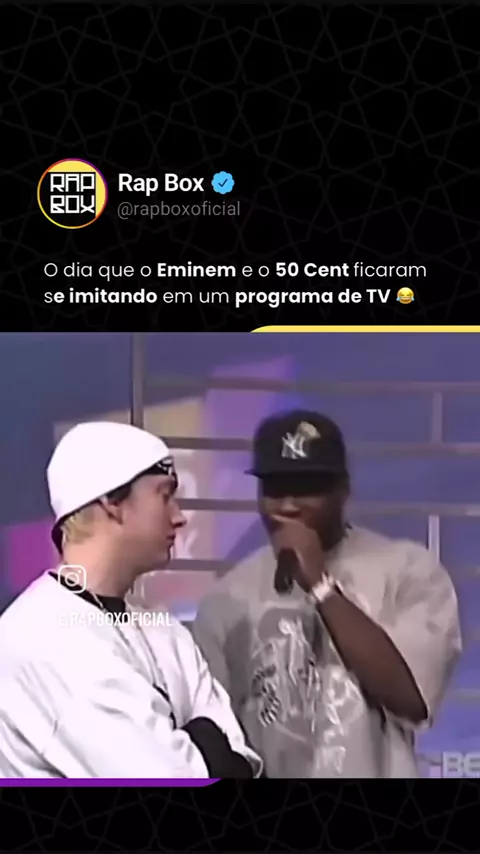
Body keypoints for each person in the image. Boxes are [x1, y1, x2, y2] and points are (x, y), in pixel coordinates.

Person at [193, 410, 462, 778]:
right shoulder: (227, 599)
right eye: (274, 489)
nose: (288, 506)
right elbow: (217, 740)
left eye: (306, 488)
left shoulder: (409, 570)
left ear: (343, 489)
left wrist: (321, 585)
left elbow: (412, 699)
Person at [0, 421, 262, 779]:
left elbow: (243, 761)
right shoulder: (39, 638)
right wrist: (202, 738)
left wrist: (199, 748)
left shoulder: (165, 630)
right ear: (112, 502)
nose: (179, 517)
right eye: (164, 496)